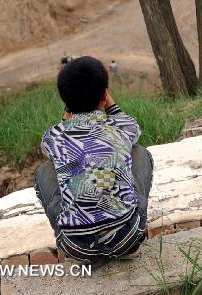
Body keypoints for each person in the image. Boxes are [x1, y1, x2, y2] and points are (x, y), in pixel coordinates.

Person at [34, 57, 153, 260]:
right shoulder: (120, 128)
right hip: (127, 238)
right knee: (141, 153)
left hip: (76, 246)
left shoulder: (53, 136)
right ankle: (134, 229)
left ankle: (67, 231)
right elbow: (134, 129)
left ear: (65, 102)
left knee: (44, 170)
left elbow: (49, 151)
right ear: (104, 95)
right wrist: (110, 104)